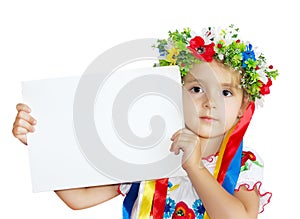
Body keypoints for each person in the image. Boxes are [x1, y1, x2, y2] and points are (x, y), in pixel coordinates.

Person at [12, 25, 277, 219]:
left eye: (226, 92)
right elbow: (79, 198)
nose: (210, 102)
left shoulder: (244, 164)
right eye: (197, 89)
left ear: (243, 107)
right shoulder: (148, 153)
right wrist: (40, 143)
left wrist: (194, 167)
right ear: (174, 91)